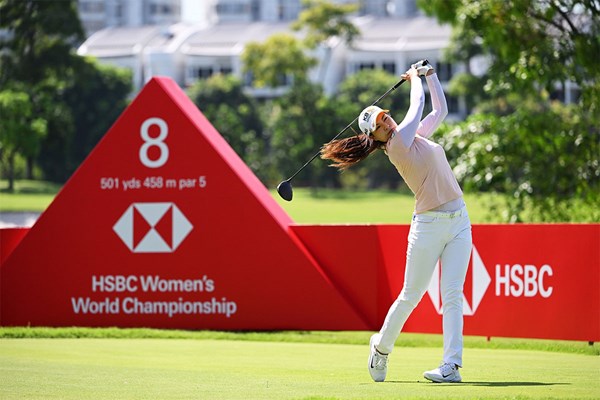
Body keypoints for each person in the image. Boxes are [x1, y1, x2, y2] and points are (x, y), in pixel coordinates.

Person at [320, 63, 472, 383]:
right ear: (373, 136)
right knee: (411, 295)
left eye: (384, 115)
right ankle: (381, 348)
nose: (385, 120)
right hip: (428, 225)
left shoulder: (413, 137)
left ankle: (451, 366)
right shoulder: (397, 145)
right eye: (379, 122)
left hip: (459, 219)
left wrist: (430, 76)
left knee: (453, 294)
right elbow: (416, 106)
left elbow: (439, 110)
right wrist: (415, 78)